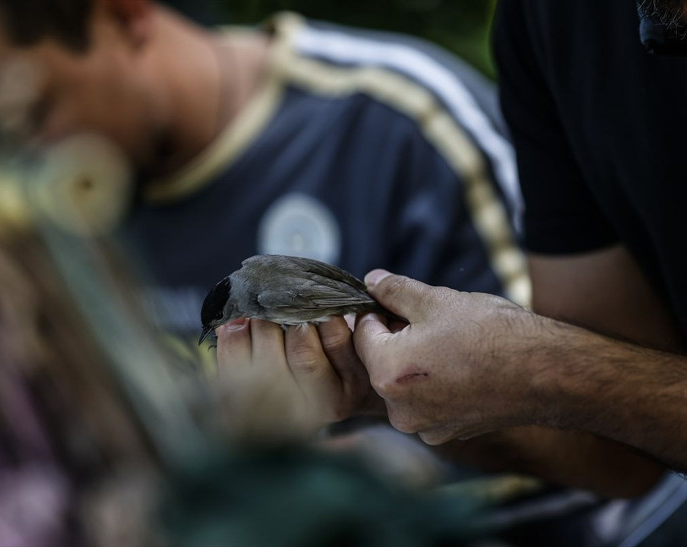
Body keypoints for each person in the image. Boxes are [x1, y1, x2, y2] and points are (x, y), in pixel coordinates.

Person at [217, 0, 687, 544]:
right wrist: (392, 394)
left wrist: (546, 371)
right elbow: (621, 457)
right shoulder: (553, 20)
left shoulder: (404, 111)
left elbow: (589, 389)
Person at [0, 0, 524, 361]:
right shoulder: (39, 227)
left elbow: (576, 422)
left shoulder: (398, 123)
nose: (14, 179)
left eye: (31, 115)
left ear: (127, 16)